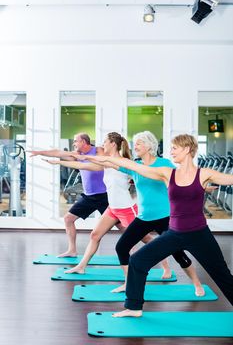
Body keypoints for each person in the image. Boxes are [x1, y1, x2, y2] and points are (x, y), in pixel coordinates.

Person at [93, 134, 233, 317]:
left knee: (221, 274)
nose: (171, 151)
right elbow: (133, 166)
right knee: (137, 261)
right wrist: (101, 158)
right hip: (174, 233)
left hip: (199, 234)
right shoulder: (168, 173)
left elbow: (230, 179)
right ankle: (134, 307)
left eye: (175, 148)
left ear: (187, 149)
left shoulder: (204, 174)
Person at [83, 131, 204, 296]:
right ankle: (128, 283)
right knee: (121, 247)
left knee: (177, 253)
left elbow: (183, 179)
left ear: (148, 146)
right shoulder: (136, 165)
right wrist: (88, 157)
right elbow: (111, 161)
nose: (135, 146)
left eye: (139, 143)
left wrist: (202, 185)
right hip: (144, 217)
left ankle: (197, 284)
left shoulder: (164, 164)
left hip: (164, 217)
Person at [43, 132, 159, 275]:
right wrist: (59, 162)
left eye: (105, 141)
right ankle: (81, 266)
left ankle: (164, 265)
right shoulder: (105, 162)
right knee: (95, 235)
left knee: (145, 238)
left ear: (113, 144)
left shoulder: (125, 163)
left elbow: (143, 176)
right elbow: (81, 164)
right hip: (113, 208)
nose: (102, 144)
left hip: (126, 209)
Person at [29, 133, 108, 257]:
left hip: (104, 196)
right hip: (88, 196)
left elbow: (101, 164)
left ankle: (142, 244)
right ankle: (72, 250)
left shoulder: (98, 150)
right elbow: (58, 153)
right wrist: (39, 152)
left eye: (76, 141)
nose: (74, 144)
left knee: (122, 226)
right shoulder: (77, 155)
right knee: (68, 219)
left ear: (83, 141)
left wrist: (83, 157)